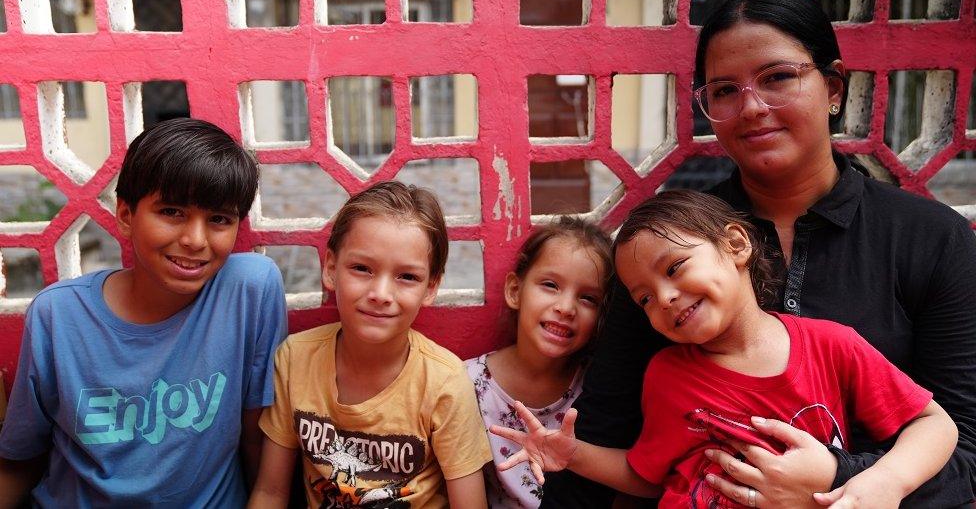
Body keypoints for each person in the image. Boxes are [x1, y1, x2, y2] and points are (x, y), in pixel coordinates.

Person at [541, 0, 976, 508]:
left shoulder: (931, 239)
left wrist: (837, 476)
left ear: (834, 87)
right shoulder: (668, 251)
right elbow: (608, 432)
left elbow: (966, 449)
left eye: (778, 78)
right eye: (725, 91)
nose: (751, 108)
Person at [495, 190, 958, 508]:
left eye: (674, 268)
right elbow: (647, 473)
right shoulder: (667, 374)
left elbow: (934, 424)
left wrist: (884, 482)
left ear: (736, 244)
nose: (666, 297)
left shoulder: (832, 345)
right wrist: (571, 454)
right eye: (645, 299)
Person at [0, 118, 288, 507]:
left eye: (219, 219)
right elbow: (21, 458)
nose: (195, 240)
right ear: (125, 215)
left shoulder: (248, 290)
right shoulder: (59, 314)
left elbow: (259, 441)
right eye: (171, 212)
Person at [249, 181, 492, 508]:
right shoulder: (296, 359)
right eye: (362, 269)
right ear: (331, 268)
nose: (380, 293)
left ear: (431, 286)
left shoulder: (444, 381)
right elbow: (270, 493)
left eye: (407, 277)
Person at [464, 216, 612, 507]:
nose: (566, 307)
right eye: (550, 285)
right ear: (515, 291)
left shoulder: (599, 389)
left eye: (588, 299)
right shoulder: (466, 383)